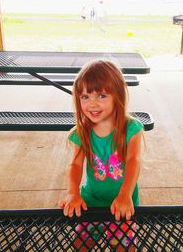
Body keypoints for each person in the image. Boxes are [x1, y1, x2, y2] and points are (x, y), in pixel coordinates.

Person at [58, 60, 143, 250]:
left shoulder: (131, 129)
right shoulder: (82, 131)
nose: (92, 104)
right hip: (91, 201)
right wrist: (72, 193)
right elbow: (75, 165)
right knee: (81, 244)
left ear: (118, 96)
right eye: (85, 96)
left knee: (124, 247)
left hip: (123, 202)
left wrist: (125, 195)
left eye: (102, 95)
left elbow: (133, 161)